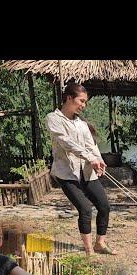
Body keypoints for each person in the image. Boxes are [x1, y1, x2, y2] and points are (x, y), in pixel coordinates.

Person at [45, 82, 116, 255]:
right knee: (85, 209)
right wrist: (90, 158)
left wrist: (98, 160)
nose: (83, 105)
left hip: (86, 172)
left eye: (85, 102)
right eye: (81, 101)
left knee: (104, 206)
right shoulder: (53, 119)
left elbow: (91, 145)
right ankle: (89, 250)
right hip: (67, 173)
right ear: (69, 98)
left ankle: (100, 243)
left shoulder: (81, 124)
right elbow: (67, 143)